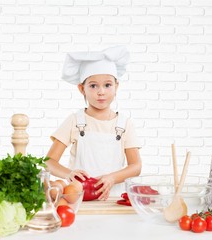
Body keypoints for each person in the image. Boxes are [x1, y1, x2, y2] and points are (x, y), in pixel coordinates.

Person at [45, 45, 142, 200]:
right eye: (93, 85)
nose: (101, 91)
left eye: (107, 85)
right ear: (82, 89)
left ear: (116, 87)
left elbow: (136, 167)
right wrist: (68, 174)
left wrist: (112, 178)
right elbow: (49, 162)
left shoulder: (125, 124)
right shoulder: (75, 121)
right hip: (78, 200)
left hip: (113, 200)